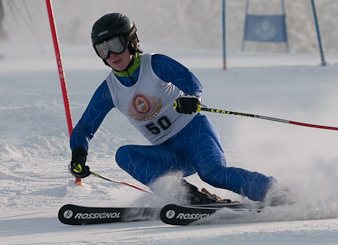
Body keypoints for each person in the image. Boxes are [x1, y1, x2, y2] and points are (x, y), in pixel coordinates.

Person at [69, 13, 290, 205]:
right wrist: (78, 155)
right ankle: (185, 195)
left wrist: (192, 98)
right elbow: (84, 128)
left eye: (115, 45)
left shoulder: (155, 64)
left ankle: (275, 192)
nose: (111, 55)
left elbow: (192, 83)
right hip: (170, 153)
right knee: (124, 154)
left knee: (212, 174)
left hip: (195, 134)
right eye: (103, 49)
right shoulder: (109, 90)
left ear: (131, 41)